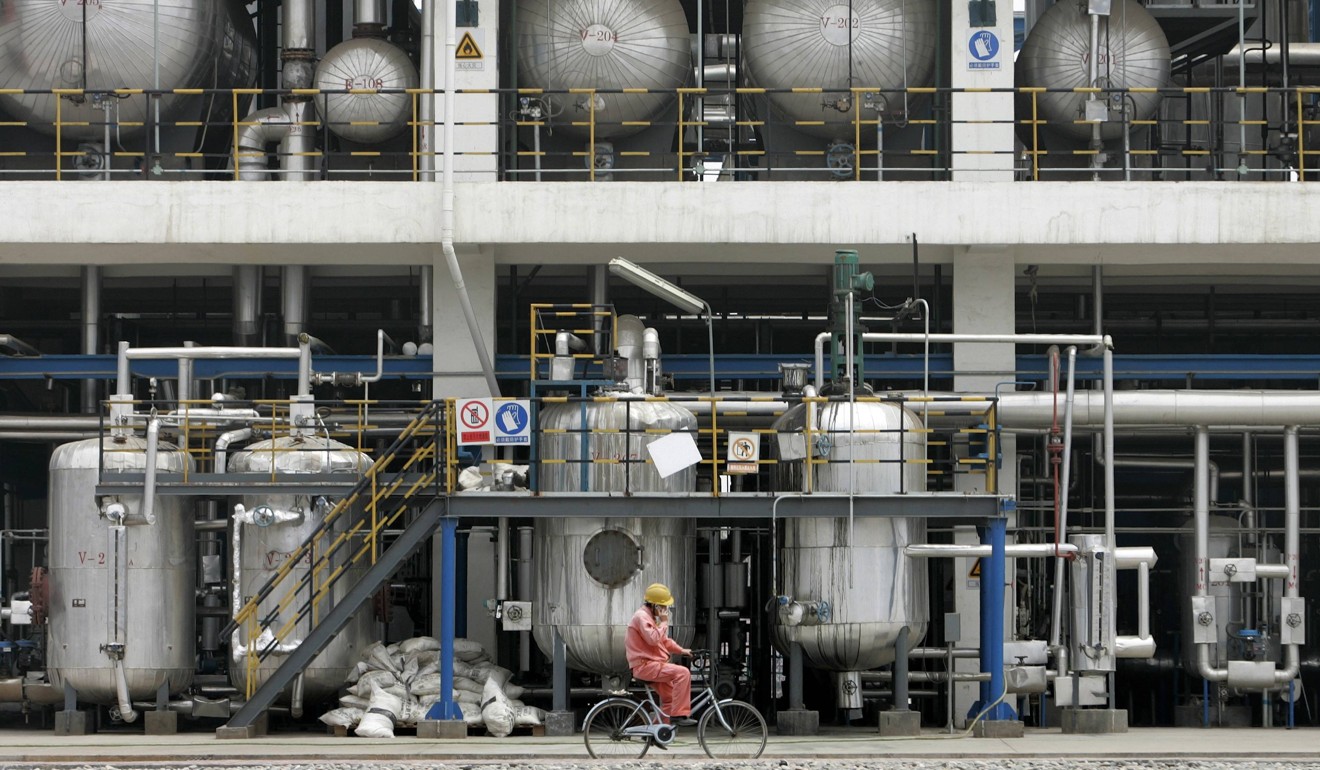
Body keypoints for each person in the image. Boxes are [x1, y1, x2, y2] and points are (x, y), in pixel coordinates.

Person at [625, 582, 696, 726]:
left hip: (651, 665)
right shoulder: (641, 617)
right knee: (683, 673)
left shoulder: (650, 618)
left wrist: (681, 650)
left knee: (670, 698)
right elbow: (653, 639)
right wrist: (664, 623)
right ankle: (679, 715)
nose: (666, 610)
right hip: (645, 666)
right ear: (655, 606)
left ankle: (656, 732)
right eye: (664, 606)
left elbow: (663, 641)